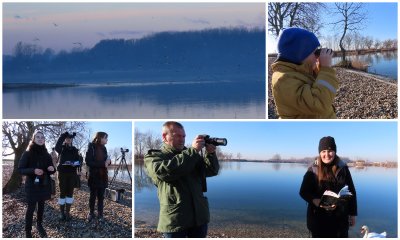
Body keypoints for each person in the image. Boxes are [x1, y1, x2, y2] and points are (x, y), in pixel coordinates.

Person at [144, 121, 220, 238]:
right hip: (175, 220)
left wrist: (210, 154)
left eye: (184, 136)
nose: (182, 139)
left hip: (199, 217)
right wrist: (193, 151)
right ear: (165, 136)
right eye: (177, 136)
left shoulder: (191, 155)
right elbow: (165, 172)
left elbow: (211, 171)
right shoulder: (154, 156)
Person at [271, 27, 339, 119]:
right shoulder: (283, 80)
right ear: (300, 53)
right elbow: (319, 103)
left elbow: (317, 89)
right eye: (315, 52)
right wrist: (326, 69)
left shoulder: (298, 71)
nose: (317, 56)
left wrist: (320, 69)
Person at [299, 136, 357, 237]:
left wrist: (352, 214)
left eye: (330, 151)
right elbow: (303, 191)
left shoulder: (343, 168)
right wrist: (315, 201)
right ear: (320, 153)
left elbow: (351, 190)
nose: (327, 154)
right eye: (323, 151)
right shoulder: (313, 170)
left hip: (340, 221)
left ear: (335, 151)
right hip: (319, 220)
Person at [18, 130, 55, 238]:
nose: (40, 139)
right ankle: (28, 231)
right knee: (30, 208)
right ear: (33, 139)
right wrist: (33, 170)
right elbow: (20, 169)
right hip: (32, 185)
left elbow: (52, 169)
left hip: (44, 184)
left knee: (42, 206)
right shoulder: (27, 153)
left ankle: (39, 224)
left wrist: (52, 169)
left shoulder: (47, 154)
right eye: (37, 137)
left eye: (42, 137)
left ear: (44, 140)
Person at [85, 131, 111, 222]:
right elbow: (88, 162)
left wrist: (108, 161)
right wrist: (103, 164)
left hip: (103, 176)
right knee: (92, 196)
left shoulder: (104, 148)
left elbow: (106, 161)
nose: (107, 139)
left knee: (101, 197)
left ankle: (100, 214)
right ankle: (91, 212)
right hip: (94, 176)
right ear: (100, 138)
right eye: (105, 137)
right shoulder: (91, 146)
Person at [55, 132, 81, 221]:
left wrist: (75, 164)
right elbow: (56, 146)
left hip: (72, 173)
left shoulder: (75, 149)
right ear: (65, 139)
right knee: (62, 192)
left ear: (72, 139)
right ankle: (61, 213)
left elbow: (78, 161)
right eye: (67, 138)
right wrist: (63, 135)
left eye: (70, 138)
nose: (68, 139)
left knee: (70, 192)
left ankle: (67, 213)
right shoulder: (61, 148)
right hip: (62, 173)